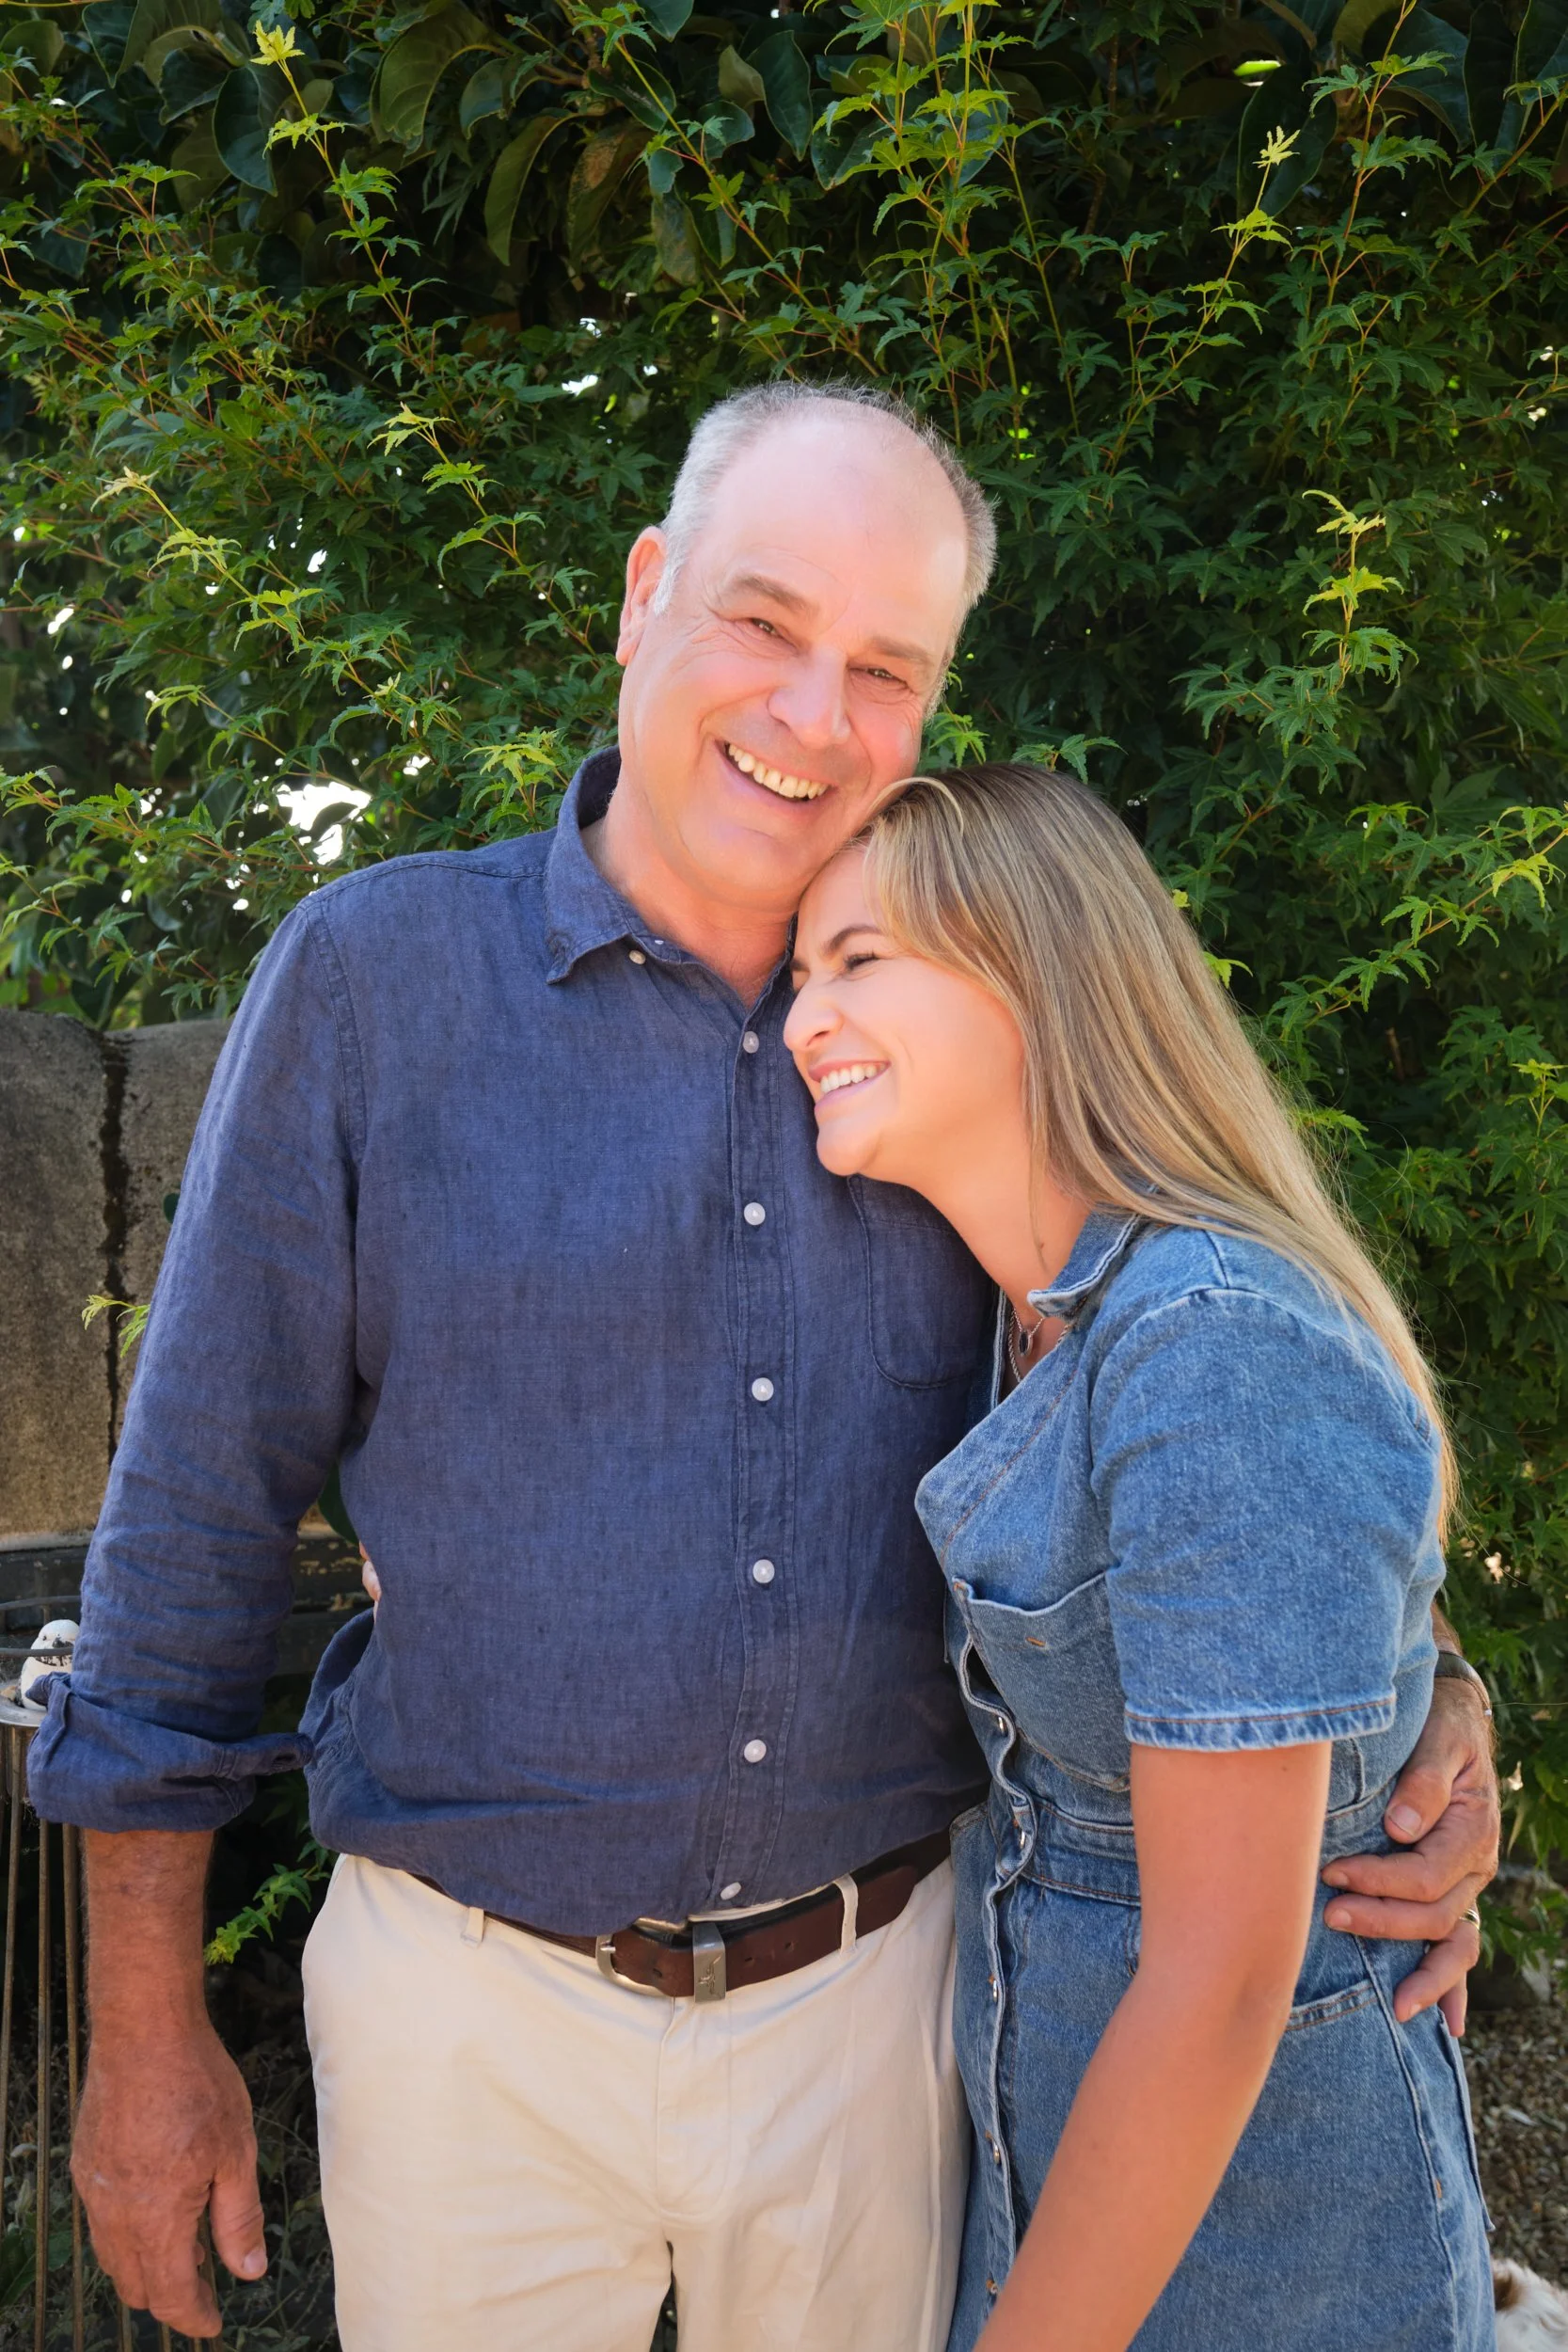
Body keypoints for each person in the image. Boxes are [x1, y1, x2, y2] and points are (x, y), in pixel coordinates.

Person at [31, 390, 1497, 2351]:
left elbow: (1231, 1464)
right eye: (762, 618)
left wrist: (1419, 1714)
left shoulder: (959, 1051)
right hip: (465, 2012)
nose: (812, 711)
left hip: (883, 2009)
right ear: (644, 592)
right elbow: (193, 1526)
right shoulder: (376, 985)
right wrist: (142, 2032)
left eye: (884, 666)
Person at [784, 761, 1496, 2352]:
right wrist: (1447, 1693)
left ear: (1035, 972)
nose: (802, 1021)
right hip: (1070, 2173)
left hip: (1273, 2246)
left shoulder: (1209, 1339)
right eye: (798, 975)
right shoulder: (1029, 1319)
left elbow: (1221, 1982)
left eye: (857, 960)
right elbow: (1361, 1596)